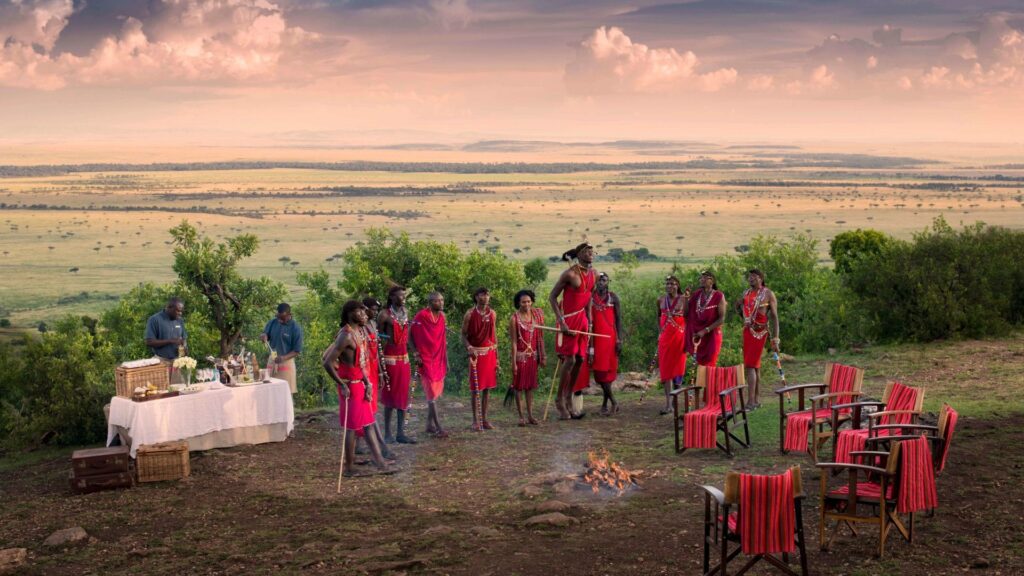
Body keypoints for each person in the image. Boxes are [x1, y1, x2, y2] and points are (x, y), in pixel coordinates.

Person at [321, 300, 390, 476]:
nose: (365, 315)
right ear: (351, 313)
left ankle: (381, 463)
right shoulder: (345, 336)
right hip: (350, 387)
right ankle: (350, 468)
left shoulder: (359, 332)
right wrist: (342, 384)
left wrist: (367, 383)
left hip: (360, 384)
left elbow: (362, 363)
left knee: (368, 424)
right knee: (352, 427)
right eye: (361, 312)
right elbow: (327, 362)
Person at [548, 242, 595, 420]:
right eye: (586, 251)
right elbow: (552, 297)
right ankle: (560, 400)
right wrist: (562, 323)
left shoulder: (594, 274)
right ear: (578, 254)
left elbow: (589, 296)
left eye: (592, 251)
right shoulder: (569, 274)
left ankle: (569, 397)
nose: (590, 253)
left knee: (581, 359)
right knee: (569, 360)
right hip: (568, 320)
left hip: (582, 320)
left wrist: (589, 320)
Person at [733, 269, 780, 409]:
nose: (751, 279)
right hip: (748, 331)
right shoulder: (746, 293)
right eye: (749, 277)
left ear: (761, 278)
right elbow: (741, 310)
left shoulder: (768, 293)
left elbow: (774, 317)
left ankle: (751, 401)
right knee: (755, 366)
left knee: (750, 365)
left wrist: (776, 338)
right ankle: (756, 400)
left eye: (754, 276)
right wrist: (741, 310)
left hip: (760, 332)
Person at [378, 286, 416, 444]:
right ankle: (387, 433)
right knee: (390, 395)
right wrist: (379, 362)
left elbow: (407, 336)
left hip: (404, 358)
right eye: (400, 296)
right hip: (390, 358)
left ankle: (400, 433)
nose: (403, 298)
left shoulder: (405, 312)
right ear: (392, 297)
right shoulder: (384, 315)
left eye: (404, 295)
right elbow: (378, 338)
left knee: (403, 395)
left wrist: (415, 352)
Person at [410, 292, 449, 438]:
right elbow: (410, 336)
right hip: (425, 359)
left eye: (442, 300)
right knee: (431, 393)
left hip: (439, 358)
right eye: (438, 301)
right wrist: (416, 353)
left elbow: (443, 339)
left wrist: (446, 360)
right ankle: (439, 427)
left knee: (436, 393)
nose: (441, 303)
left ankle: (428, 425)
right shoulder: (421, 316)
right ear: (431, 302)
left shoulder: (442, 317)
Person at [462, 287, 499, 431]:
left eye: (487, 294)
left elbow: (494, 336)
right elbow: (463, 335)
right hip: (475, 354)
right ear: (476, 297)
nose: (486, 297)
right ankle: (475, 421)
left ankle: (484, 419)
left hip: (489, 353)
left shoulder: (493, 314)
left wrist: (497, 357)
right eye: (482, 295)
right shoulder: (470, 314)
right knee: (475, 389)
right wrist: (469, 347)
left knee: (487, 389)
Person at [509, 289, 545, 426]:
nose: (527, 304)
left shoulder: (536, 316)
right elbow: (513, 342)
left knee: (530, 387)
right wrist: (513, 363)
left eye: (529, 301)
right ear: (518, 303)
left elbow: (540, 336)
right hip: (520, 357)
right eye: (524, 302)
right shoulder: (514, 319)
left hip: (533, 357)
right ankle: (521, 417)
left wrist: (542, 355)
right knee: (518, 387)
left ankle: (530, 415)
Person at [589, 272, 623, 416]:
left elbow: (619, 320)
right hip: (596, 339)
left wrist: (619, 340)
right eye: (599, 279)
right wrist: (590, 347)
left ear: (608, 282)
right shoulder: (590, 298)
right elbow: (589, 323)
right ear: (596, 281)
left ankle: (605, 405)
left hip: (610, 339)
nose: (602, 282)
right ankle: (614, 402)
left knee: (608, 373)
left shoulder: (613, 297)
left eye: (604, 280)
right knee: (599, 373)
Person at [657, 276, 689, 415]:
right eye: (668, 283)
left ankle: (676, 402)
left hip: (679, 339)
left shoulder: (683, 299)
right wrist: (661, 333)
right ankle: (668, 404)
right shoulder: (660, 300)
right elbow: (659, 316)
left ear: (678, 286)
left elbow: (689, 318)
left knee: (678, 370)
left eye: (673, 284)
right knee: (666, 371)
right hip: (665, 340)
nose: (670, 286)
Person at [683, 270, 727, 367]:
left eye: (705, 277)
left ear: (712, 281)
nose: (701, 280)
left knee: (710, 364)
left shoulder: (719, 295)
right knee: (701, 366)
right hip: (698, 335)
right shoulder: (696, 294)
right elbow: (686, 314)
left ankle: (710, 382)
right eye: (701, 278)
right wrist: (686, 298)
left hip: (712, 335)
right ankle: (703, 382)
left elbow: (721, 319)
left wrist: (705, 331)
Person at [260, 303, 303, 394]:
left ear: (289, 315)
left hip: (286, 362)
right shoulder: (272, 322)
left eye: (282, 318)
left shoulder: (295, 328)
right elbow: (265, 334)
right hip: (272, 360)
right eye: (278, 317)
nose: (279, 320)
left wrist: (283, 358)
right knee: (270, 390)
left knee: (285, 392)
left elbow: (297, 351)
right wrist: (264, 336)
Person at [144, 297, 188, 384]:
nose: (180, 313)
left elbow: (184, 339)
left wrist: (185, 348)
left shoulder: (180, 320)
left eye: (181, 311)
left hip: (177, 363)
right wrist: (170, 341)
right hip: (161, 362)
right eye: (178, 311)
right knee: (162, 390)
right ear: (169, 308)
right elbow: (149, 342)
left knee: (178, 391)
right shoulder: (154, 319)